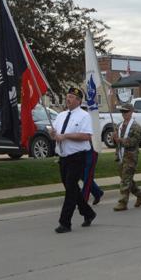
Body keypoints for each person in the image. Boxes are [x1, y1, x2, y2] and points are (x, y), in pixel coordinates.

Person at [48, 87, 97, 233]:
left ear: (78, 100)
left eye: (71, 97)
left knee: (70, 189)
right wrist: (52, 134)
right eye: (67, 96)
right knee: (72, 188)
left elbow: (86, 136)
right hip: (63, 157)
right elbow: (55, 135)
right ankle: (88, 212)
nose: (68, 99)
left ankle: (65, 223)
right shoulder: (61, 115)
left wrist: (66, 136)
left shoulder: (84, 116)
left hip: (77, 157)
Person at [111, 102, 141, 211]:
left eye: (126, 111)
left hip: (130, 157)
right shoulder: (119, 125)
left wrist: (119, 140)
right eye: (122, 112)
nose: (124, 114)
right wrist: (114, 138)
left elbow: (133, 142)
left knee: (125, 180)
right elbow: (115, 142)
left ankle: (123, 202)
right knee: (127, 179)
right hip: (120, 156)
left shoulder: (136, 127)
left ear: (131, 112)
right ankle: (139, 195)